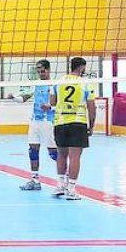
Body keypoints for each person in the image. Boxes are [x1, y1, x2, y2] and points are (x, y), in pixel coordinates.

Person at [49, 57, 97, 201]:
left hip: (60, 122)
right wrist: (91, 125)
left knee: (61, 155)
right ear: (82, 67)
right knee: (74, 156)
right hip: (78, 122)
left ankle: (60, 186)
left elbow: (52, 102)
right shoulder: (85, 83)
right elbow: (91, 107)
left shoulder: (58, 82)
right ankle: (70, 190)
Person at [11, 60, 56, 191]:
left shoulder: (54, 85)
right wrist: (13, 98)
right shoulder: (36, 84)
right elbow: (25, 97)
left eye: (43, 71)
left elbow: (57, 104)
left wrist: (50, 107)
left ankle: (64, 178)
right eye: (38, 71)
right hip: (35, 121)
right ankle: (35, 180)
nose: (41, 73)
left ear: (48, 70)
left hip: (48, 121)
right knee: (33, 150)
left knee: (53, 153)